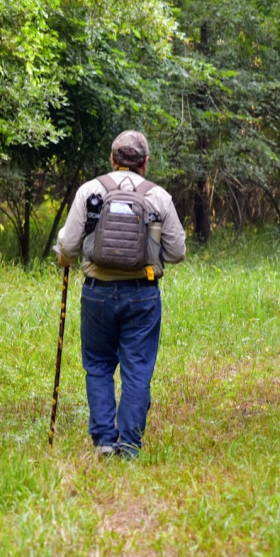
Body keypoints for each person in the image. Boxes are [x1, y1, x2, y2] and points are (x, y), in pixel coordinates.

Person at [53, 131, 186, 459]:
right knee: (137, 368)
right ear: (145, 162)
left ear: (112, 159)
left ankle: (103, 441)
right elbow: (177, 252)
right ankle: (129, 446)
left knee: (98, 364)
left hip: (96, 293)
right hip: (142, 294)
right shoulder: (158, 197)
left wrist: (66, 256)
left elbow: (68, 247)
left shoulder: (90, 191)